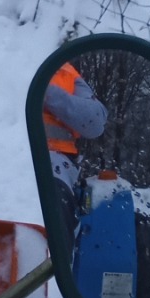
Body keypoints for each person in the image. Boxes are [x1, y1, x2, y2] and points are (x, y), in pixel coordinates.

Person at [41, 61, 107, 238]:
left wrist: (44, 91)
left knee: (54, 206)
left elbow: (94, 122)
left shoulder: (64, 71)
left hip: (54, 161)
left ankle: (60, 262)